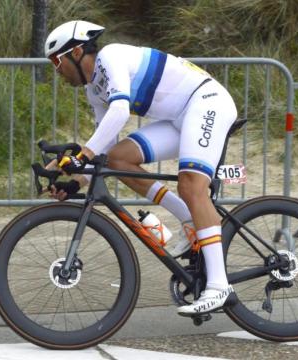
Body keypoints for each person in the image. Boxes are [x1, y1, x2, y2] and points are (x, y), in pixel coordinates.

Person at [44, 20, 236, 315]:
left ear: (77, 52)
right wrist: (75, 182)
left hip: (207, 102)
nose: (56, 70)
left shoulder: (111, 57)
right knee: (119, 160)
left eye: (57, 61)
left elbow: (120, 111)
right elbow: (104, 146)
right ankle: (188, 218)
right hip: (178, 118)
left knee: (191, 186)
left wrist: (82, 154)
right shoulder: (94, 91)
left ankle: (220, 286)